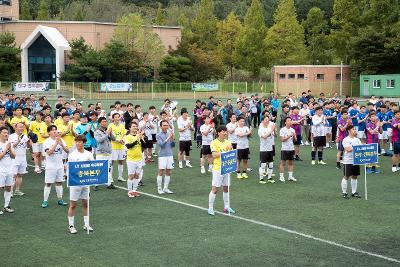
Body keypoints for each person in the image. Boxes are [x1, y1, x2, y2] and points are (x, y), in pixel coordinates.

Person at [67, 135, 95, 234]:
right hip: (75, 183)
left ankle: (86, 224)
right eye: (77, 141)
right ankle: (71, 225)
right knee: (73, 205)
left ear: (84, 142)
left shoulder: (89, 154)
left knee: (85, 203)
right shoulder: (72, 155)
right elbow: (69, 169)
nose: (78, 143)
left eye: (80, 141)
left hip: (86, 182)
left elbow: (93, 166)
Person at [208, 125, 235, 216]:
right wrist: (225, 151)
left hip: (226, 168)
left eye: (226, 131)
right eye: (223, 131)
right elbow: (214, 155)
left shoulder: (228, 142)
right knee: (215, 189)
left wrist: (230, 151)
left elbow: (231, 153)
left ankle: (226, 206)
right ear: (218, 132)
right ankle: (210, 208)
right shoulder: (214, 142)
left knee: (226, 188)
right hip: (217, 169)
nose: (225, 133)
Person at [42, 125, 69, 208]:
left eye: (55, 130)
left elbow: (68, 151)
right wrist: (56, 143)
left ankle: (60, 199)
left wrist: (62, 144)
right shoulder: (47, 142)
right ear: (49, 132)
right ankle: (45, 201)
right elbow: (49, 153)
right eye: (52, 130)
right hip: (50, 166)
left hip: (60, 165)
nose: (55, 131)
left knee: (59, 183)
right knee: (48, 183)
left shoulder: (61, 140)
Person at [124, 122, 146, 198]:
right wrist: (137, 140)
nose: (135, 127)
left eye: (136, 126)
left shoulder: (138, 135)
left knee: (137, 176)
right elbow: (128, 146)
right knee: (131, 176)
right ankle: (129, 191)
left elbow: (144, 146)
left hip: (139, 159)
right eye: (133, 126)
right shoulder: (128, 137)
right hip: (131, 160)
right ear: (130, 128)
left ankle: (134, 190)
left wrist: (142, 139)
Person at [94, 117, 116, 189]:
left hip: (108, 153)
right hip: (101, 153)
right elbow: (99, 140)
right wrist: (107, 133)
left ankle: (109, 184)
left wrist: (111, 133)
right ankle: (95, 185)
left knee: (109, 168)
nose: (105, 123)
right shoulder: (96, 131)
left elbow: (114, 139)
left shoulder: (107, 131)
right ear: (99, 123)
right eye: (103, 122)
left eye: (105, 122)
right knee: (99, 168)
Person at [341, 125, 362, 199]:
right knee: (346, 176)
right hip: (348, 161)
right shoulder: (345, 139)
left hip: (356, 161)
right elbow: (348, 149)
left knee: (355, 176)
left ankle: (354, 192)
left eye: (355, 129)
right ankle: (344, 193)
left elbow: (361, 148)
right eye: (353, 129)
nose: (355, 130)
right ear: (349, 131)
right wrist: (357, 147)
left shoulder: (357, 139)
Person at [9, 122, 29, 196]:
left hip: (23, 158)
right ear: (15, 128)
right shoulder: (11, 136)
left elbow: (27, 146)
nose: (22, 128)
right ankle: (10, 191)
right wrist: (18, 140)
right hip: (14, 159)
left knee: (20, 175)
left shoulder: (25, 136)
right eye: (20, 127)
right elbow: (11, 146)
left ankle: (17, 190)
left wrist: (31, 140)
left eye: (23, 127)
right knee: (13, 175)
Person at [156, 120, 175, 194]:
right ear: (160, 126)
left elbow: (172, 145)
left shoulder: (169, 134)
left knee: (168, 171)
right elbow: (161, 145)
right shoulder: (158, 135)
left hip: (170, 155)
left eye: (167, 125)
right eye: (164, 125)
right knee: (161, 171)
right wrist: (168, 138)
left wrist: (172, 139)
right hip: (162, 155)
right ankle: (159, 188)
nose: (166, 127)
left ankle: (166, 188)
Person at [0, 126, 16, 214]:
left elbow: (14, 156)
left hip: (9, 169)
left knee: (9, 188)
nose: (6, 134)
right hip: (1, 170)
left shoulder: (9, 144)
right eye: (4, 132)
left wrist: (9, 148)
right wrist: (6, 148)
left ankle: (6, 206)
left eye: (7, 132)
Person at [108, 113, 127, 182]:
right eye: (115, 117)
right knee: (112, 162)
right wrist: (119, 140)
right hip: (113, 147)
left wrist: (123, 140)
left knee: (121, 161)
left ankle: (120, 176)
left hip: (121, 147)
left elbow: (124, 134)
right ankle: (110, 177)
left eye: (118, 117)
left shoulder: (122, 125)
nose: (117, 118)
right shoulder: (110, 125)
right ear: (113, 118)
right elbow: (110, 135)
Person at [258, 113, 276, 184]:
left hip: (270, 148)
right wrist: (271, 130)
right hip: (263, 149)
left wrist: (274, 130)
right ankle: (261, 178)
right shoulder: (260, 129)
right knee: (263, 165)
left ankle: (270, 177)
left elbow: (274, 135)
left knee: (271, 164)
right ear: (262, 121)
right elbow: (264, 136)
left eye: (268, 120)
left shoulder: (270, 128)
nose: (267, 121)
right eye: (266, 120)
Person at [279, 117, 297, 182]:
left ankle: (290, 176)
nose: (290, 122)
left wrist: (294, 136)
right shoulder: (282, 130)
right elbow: (282, 140)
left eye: (290, 121)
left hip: (291, 148)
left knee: (291, 163)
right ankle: (281, 177)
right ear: (285, 122)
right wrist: (289, 136)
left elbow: (295, 140)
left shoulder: (293, 130)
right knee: (283, 163)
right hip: (284, 149)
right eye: (288, 121)